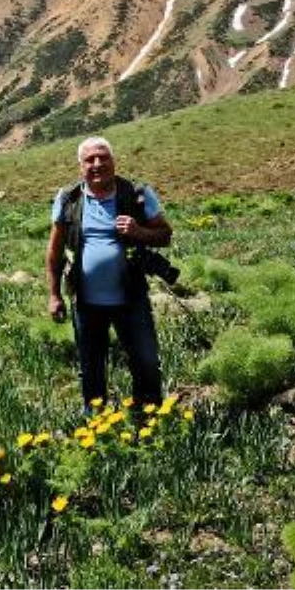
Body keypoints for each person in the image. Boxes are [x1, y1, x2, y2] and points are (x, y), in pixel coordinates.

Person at [46, 136, 173, 411]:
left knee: (146, 361)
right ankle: (95, 423)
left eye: (103, 157)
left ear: (114, 162)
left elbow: (165, 234)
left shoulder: (137, 194)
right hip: (86, 302)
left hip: (131, 298)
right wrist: (54, 295)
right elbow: (55, 251)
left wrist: (139, 232)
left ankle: (148, 416)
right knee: (91, 368)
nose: (97, 164)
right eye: (90, 159)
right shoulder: (69, 199)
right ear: (81, 166)